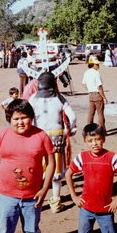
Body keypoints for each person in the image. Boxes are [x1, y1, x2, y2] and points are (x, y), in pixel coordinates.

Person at [0, 99, 55, 233]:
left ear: (31, 117)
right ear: (9, 120)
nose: (21, 122)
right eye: (16, 119)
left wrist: (44, 189)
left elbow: (51, 163)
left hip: (33, 197)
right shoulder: (2, 135)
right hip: (5, 197)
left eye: (24, 117)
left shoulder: (41, 136)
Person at [65, 123, 117, 233]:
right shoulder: (82, 157)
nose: (94, 143)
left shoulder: (112, 157)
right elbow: (68, 174)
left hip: (105, 210)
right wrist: (74, 196)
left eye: (97, 139)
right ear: (85, 142)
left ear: (104, 139)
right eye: (90, 141)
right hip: (85, 209)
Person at [28, 72, 77, 214]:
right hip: (57, 138)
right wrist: (69, 129)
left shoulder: (33, 98)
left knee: (38, 170)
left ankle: (35, 202)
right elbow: (72, 117)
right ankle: (55, 204)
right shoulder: (60, 98)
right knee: (56, 172)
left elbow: (28, 117)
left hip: (38, 136)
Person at [82, 57, 107, 131]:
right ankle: (102, 130)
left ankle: (88, 129)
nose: (98, 65)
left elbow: (83, 83)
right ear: (93, 65)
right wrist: (104, 98)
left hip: (91, 95)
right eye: (96, 64)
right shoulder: (96, 73)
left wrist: (90, 89)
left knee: (90, 113)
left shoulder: (86, 72)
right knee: (100, 114)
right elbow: (99, 86)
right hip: (97, 95)